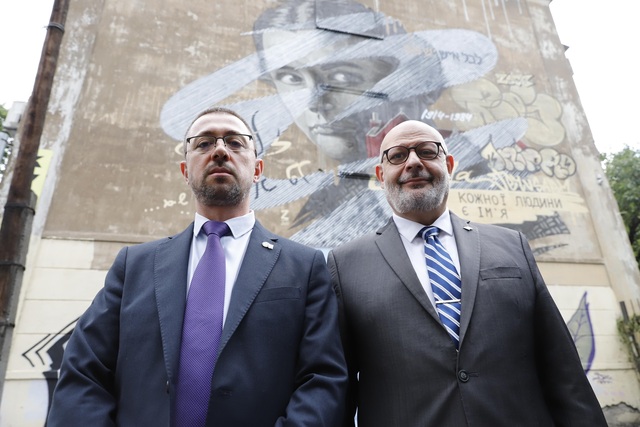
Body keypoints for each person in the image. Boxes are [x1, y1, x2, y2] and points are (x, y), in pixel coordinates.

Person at [47, 107, 347, 426]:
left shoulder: (305, 266)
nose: (220, 150)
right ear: (185, 171)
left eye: (235, 142)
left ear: (258, 169)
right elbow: (84, 372)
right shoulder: (133, 266)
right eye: (203, 143)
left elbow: (323, 379)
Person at [327, 119, 607, 426]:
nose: (414, 162)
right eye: (397, 155)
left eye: (427, 151)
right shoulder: (345, 265)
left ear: (449, 165)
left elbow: (563, 369)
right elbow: (337, 388)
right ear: (381, 175)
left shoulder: (512, 245)